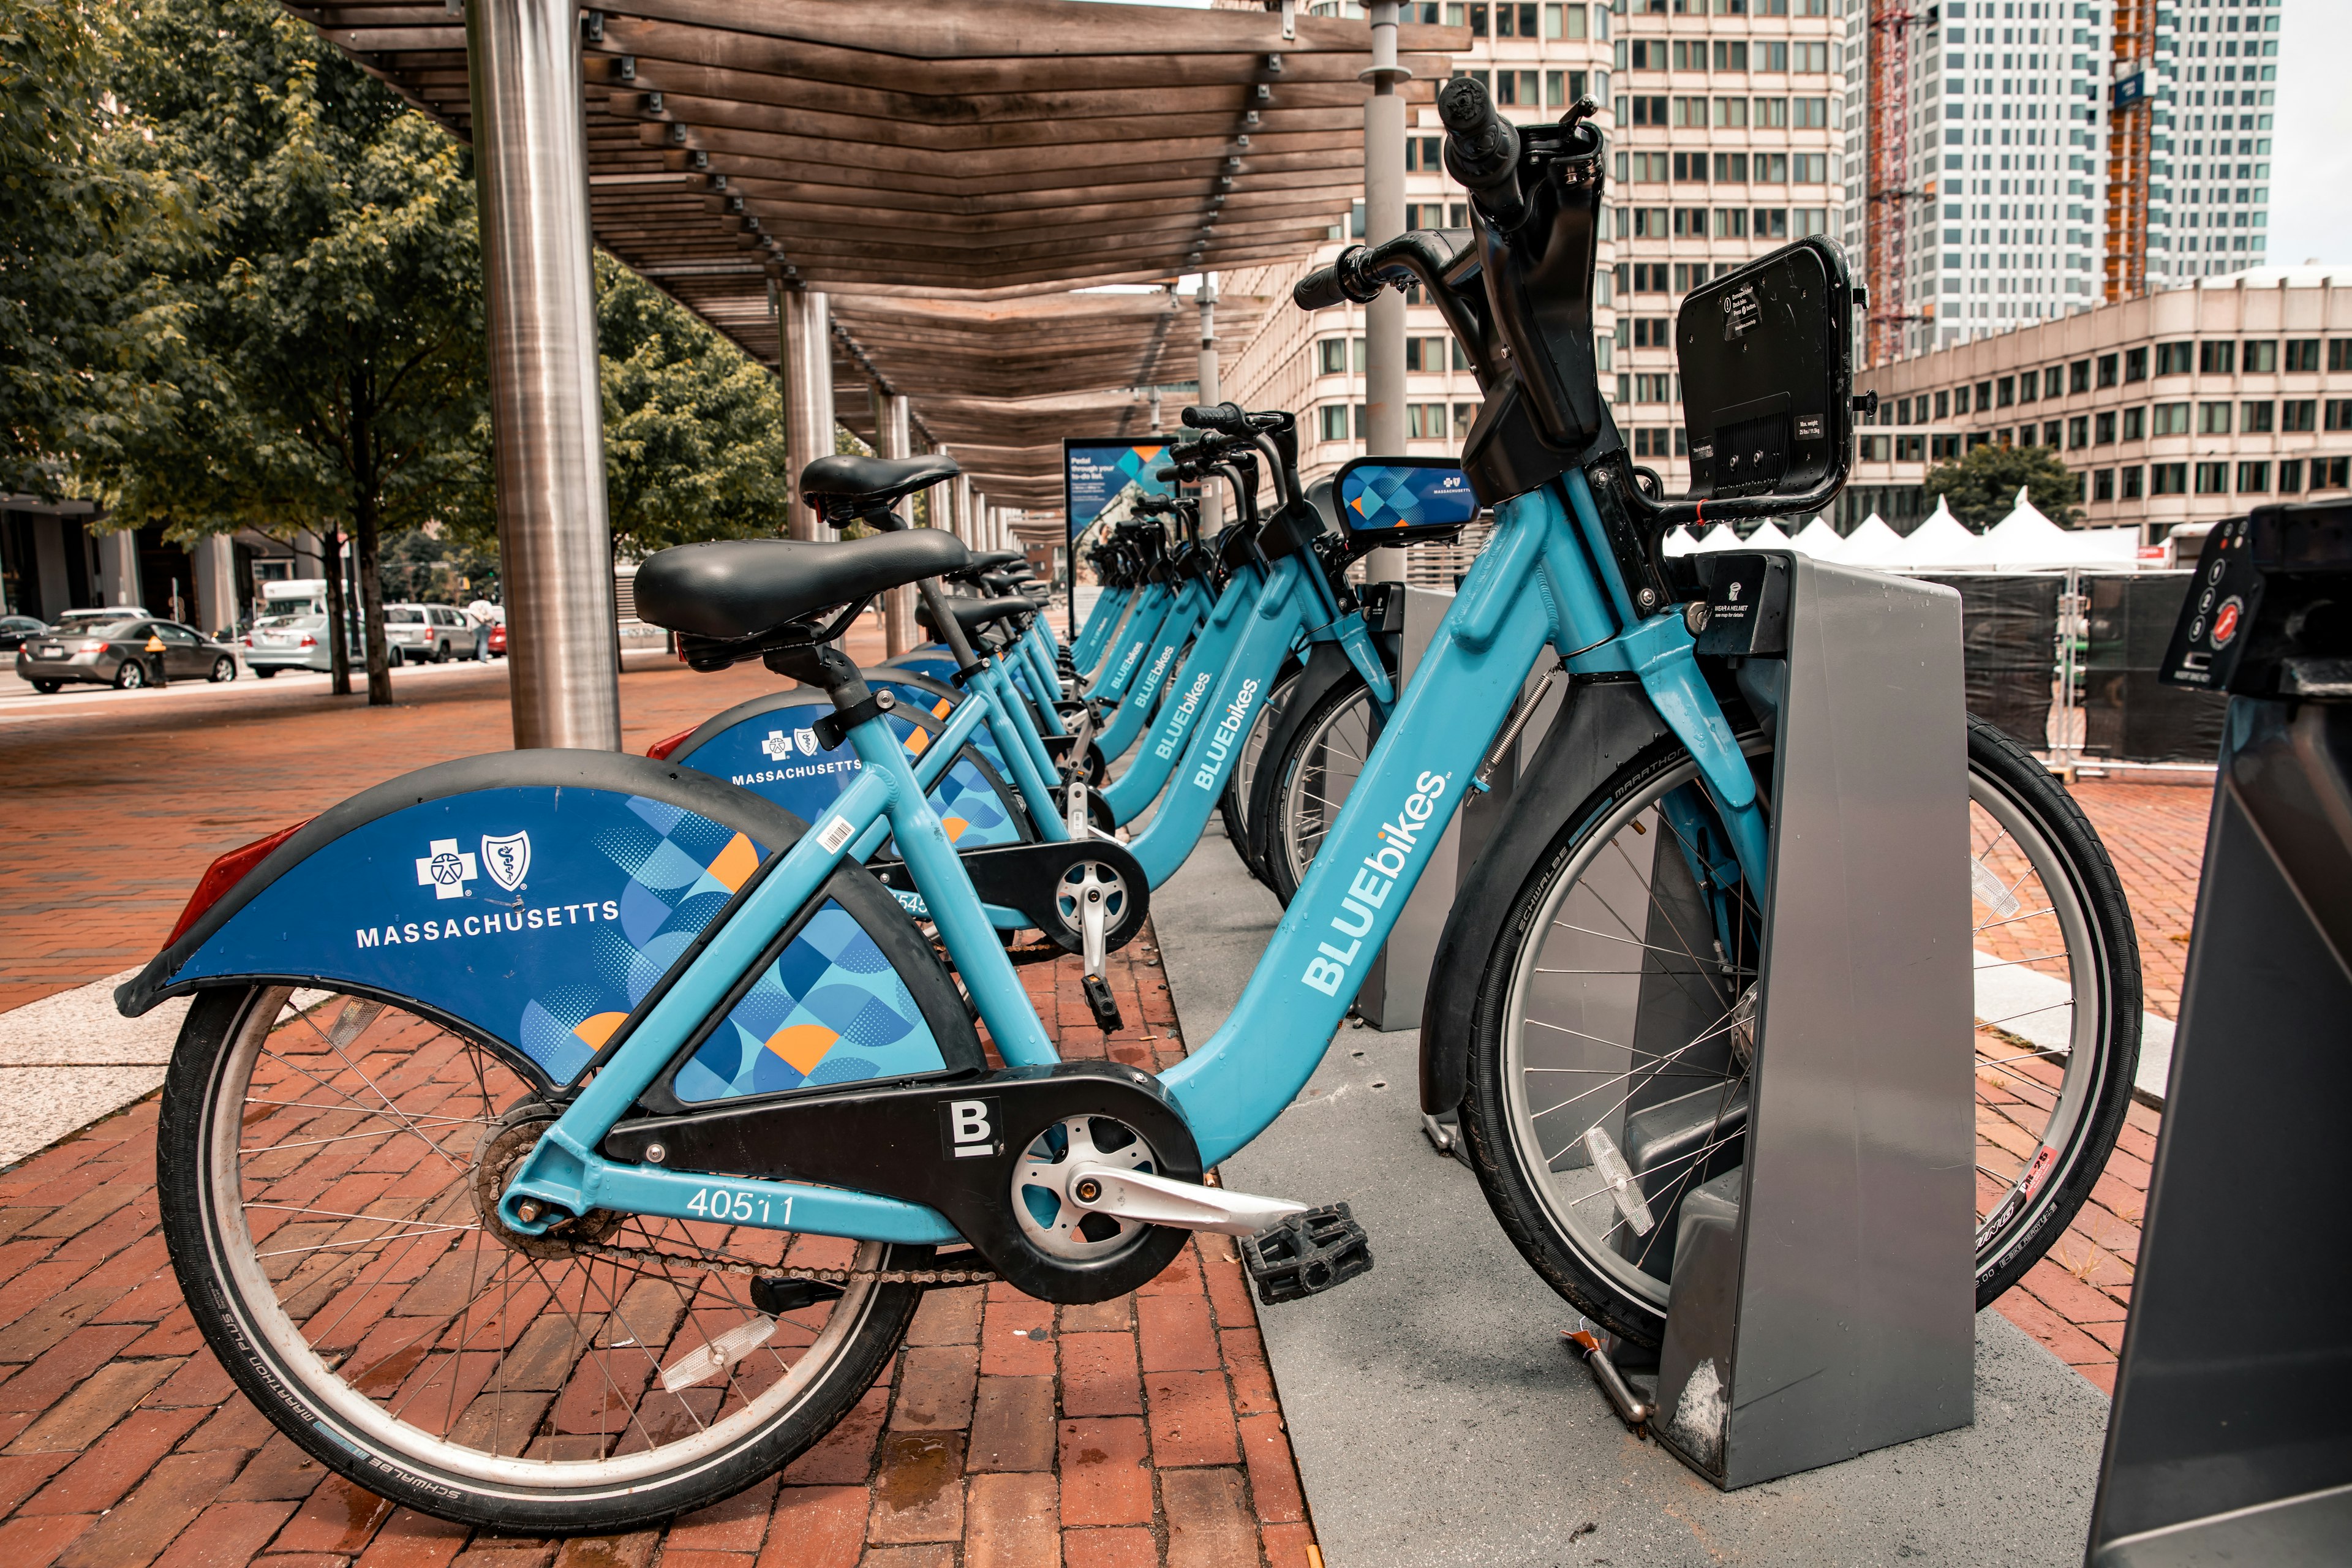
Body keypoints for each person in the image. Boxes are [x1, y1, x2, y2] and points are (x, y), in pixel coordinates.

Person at [466, 598, 498, 662]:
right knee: (484, 642)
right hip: (486, 625)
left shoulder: (472, 605)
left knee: (480, 642)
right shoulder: (487, 604)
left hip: (475, 626)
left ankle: (481, 657)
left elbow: (470, 618)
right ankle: (483, 658)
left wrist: (469, 628)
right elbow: (491, 615)